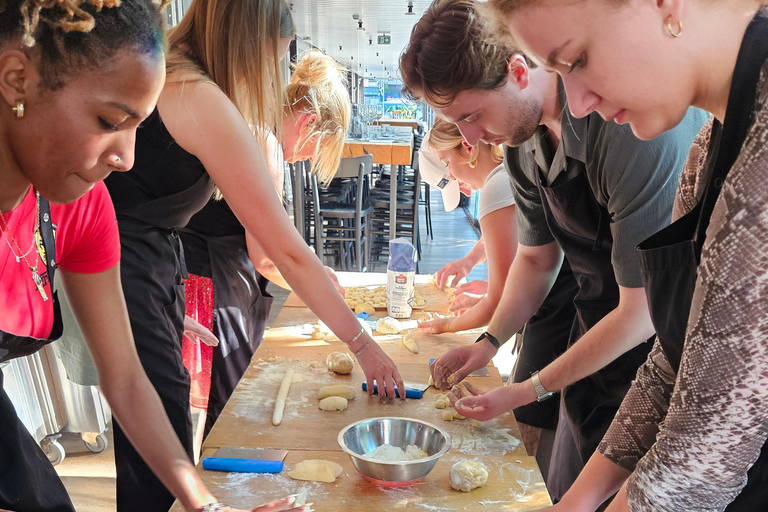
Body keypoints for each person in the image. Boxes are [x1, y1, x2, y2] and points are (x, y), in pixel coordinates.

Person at [0, 1, 306, 512]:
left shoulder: (82, 209)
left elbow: (125, 377)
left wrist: (204, 505)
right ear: (16, 79)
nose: (127, 159)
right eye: (109, 120)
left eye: (138, 127)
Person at [400, 0, 708, 499]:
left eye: (473, 115)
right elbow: (538, 258)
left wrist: (529, 388)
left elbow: (641, 313)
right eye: (457, 124)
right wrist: (489, 342)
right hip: (591, 337)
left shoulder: (629, 130)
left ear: (518, 71)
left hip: (660, 354)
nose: (471, 139)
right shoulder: (524, 141)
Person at [103, 0, 404, 509]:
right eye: (274, 58)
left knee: (160, 427)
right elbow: (283, 249)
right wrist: (363, 344)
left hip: (144, 274)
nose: (274, 75)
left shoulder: (174, 73)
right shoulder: (198, 94)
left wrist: (161, 306)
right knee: (157, 450)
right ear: (246, 46)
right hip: (129, 273)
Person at [483, 1, 768, 511]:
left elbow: (704, 455)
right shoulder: (709, 149)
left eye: (579, 59)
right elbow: (673, 364)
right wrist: (578, 500)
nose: (578, 105)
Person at [179, 48, 351, 439]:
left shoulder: (251, 126)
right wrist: (322, 298)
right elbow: (269, 258)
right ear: (309, 123)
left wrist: (315, 274)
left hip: (212, 277)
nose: (306, 160)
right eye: (316, 150)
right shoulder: (265, 142)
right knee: (231, 412)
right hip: (212, 286)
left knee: (220, 407)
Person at [418, 117, 518, 333]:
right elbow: (506, 233)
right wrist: (469, 261)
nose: (464, 190)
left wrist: (446, 325)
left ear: (468, 148)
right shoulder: (511, 169)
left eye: (447, 164)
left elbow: (504, 300)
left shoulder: (497, 187)